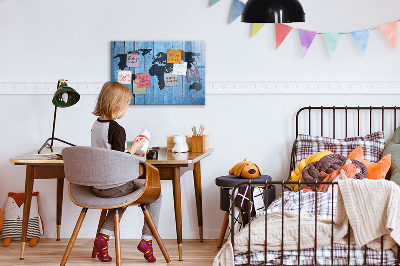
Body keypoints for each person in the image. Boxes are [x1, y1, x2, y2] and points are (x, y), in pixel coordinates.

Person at [91, 81, 161, 263]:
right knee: (156, 194)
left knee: (122, 198)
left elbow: (108, 154)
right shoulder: (117, 129)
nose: (127, 109)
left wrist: (130, 149)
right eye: (126, 105)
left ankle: (103, 238)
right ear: (117, 105)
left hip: (97, 186)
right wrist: (135, 149)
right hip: (114, 186)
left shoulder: (96, 125)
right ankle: (147, 240)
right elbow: (118, 161)